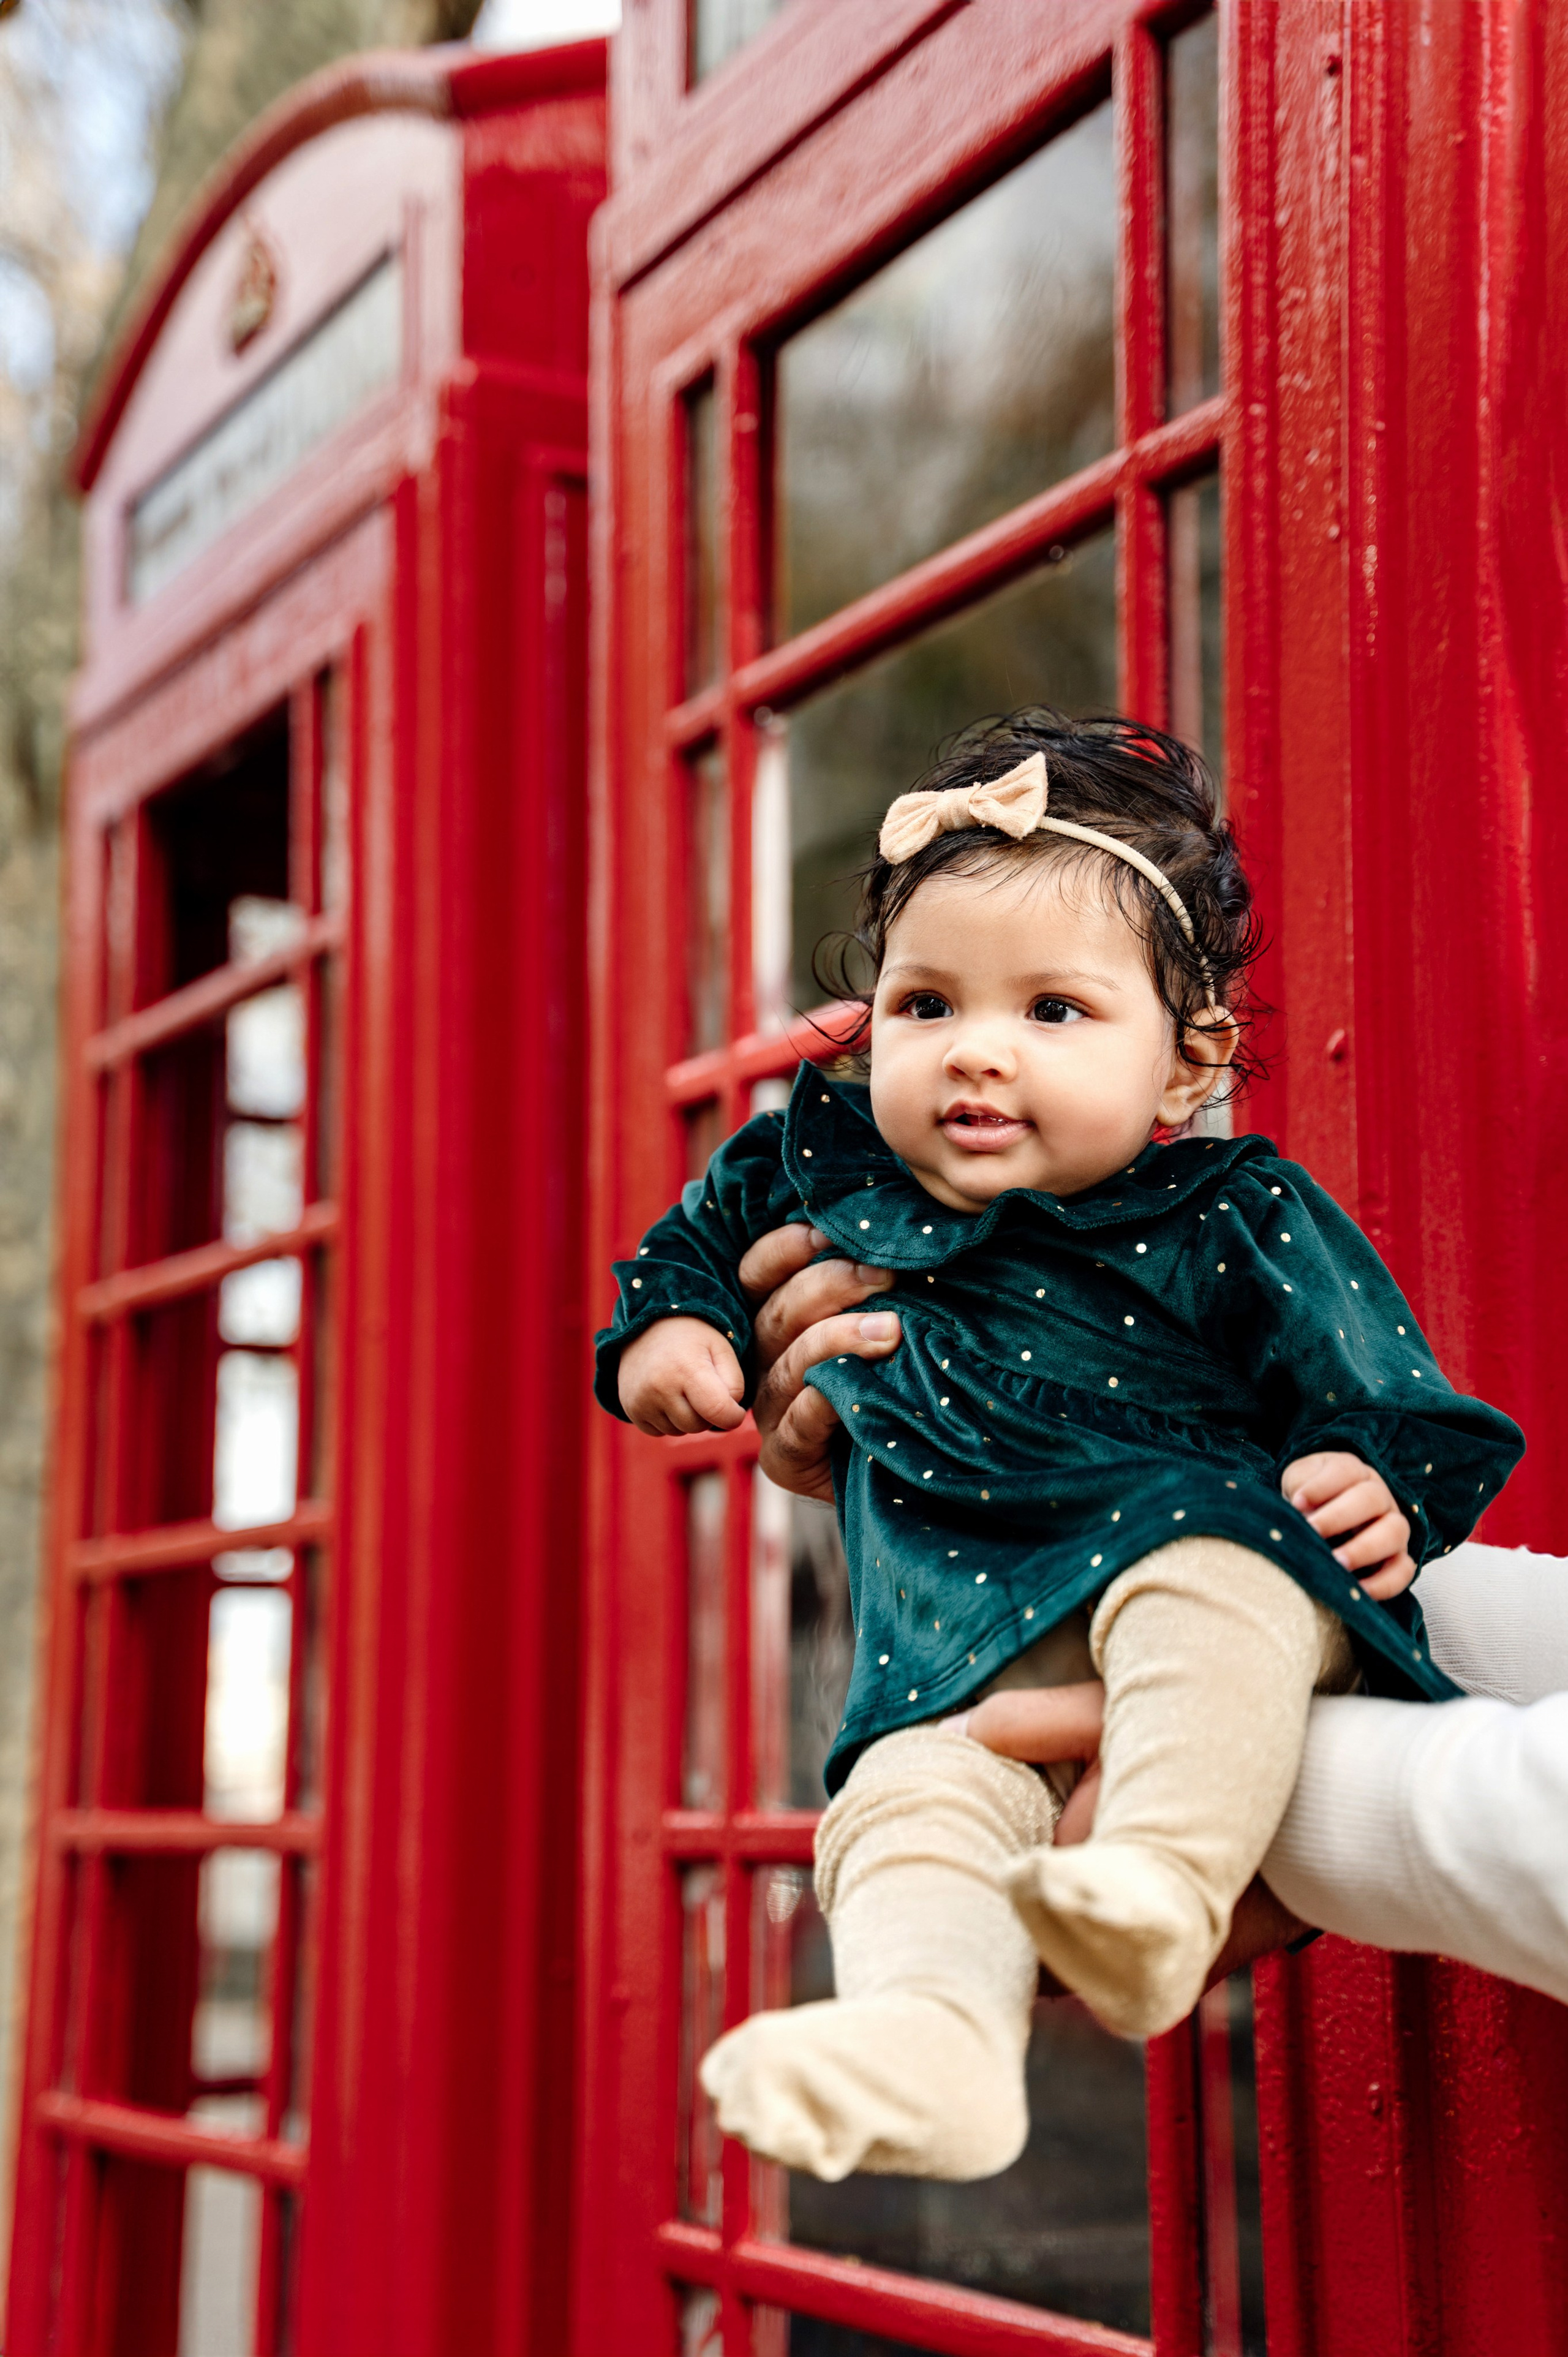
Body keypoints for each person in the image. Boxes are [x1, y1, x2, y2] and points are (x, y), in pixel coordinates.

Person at [595, 711, 1523, 2185]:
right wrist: (669, 1343)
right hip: (952, 1644)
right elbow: (681, 1259)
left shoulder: (1231, 1211)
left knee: (1210, 1595)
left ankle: (1158, 1877)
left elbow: (1388, 1396)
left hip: (1198, 1556)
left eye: (1051, 1012)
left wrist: (1372, 1483)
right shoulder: (813, 1168)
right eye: (923, 1006)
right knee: (896, 1808)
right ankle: (931, 2041)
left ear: (1183, 1064)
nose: (973, 1051)